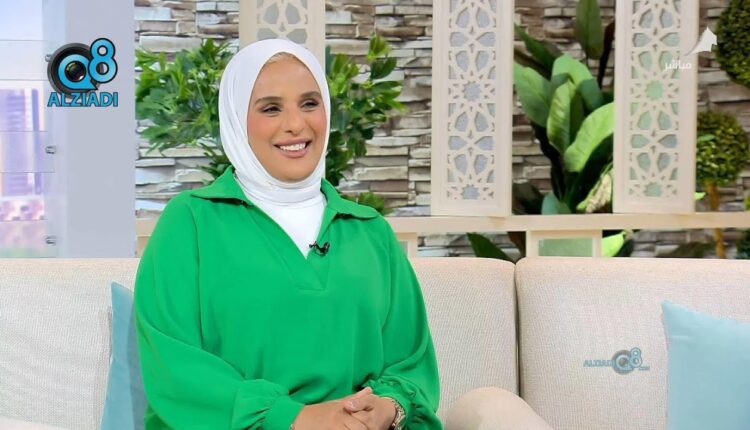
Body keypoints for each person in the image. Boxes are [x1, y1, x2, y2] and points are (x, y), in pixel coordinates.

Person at [134, 38, 443, 430]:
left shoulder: (370, 230)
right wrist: (297, 418)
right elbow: (175, 368)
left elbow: (410, 361)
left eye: (310, 103)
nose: (296, 124)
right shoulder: (192, 222)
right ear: (236, 119)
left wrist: (385, 408)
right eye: (271, 108)